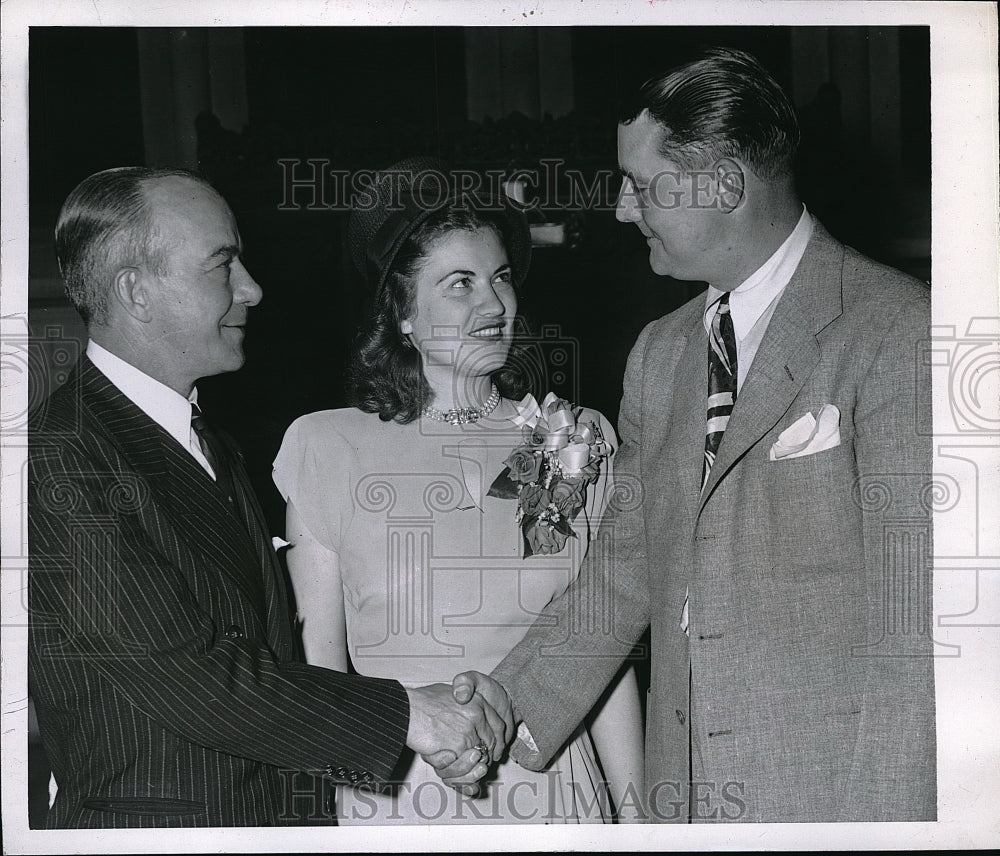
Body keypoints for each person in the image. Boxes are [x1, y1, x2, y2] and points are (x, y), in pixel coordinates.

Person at [443, 47, 937, 823]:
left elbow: (922, 636)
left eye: (641, 188)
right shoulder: (661, 353)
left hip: (829, 805)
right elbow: (626, 570)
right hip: (684, 805)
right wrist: (504, 703)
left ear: (726, 186)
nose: (619, 209)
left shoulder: (900, 332)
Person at [27, 166, 513, 828]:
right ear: (135, 290)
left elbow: (271, 655)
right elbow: (187, 675)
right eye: (222, 266)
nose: (252, 289)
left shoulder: (207, 440)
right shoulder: (61, 452)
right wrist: (412, 714)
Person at [271, 159, 644, 824]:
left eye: (501, 278)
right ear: (403, 312)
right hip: (401, 796)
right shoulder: (326, 447)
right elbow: (318, 679)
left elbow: (602, 653)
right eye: (460, 284)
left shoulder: (566, 441)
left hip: (554, 792)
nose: (494, 304)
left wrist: (640, 815)